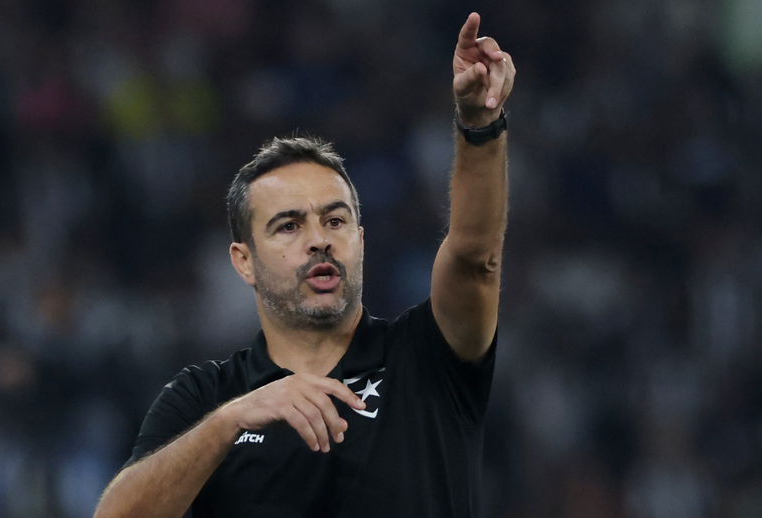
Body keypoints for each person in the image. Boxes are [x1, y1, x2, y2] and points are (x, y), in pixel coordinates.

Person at [94, 12, 515, 518]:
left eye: (335, 221)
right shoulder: (206, 398)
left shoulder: (426, 359)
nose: (319, 241)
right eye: (289, 226)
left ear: (361, 241)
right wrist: (230, 421)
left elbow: (474, 258)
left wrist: (479, 125)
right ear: (244, 262)